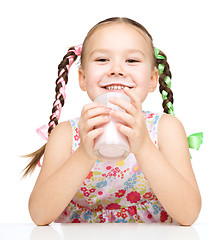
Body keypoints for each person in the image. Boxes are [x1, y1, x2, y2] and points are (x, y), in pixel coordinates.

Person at [23, 17, 202, 226]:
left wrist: (144, 147)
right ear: (82, 78)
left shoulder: (165, 129)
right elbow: (39, 215)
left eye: (132, 60)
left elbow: (189, 214)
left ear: (153, 79)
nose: (116, 69)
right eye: (102, 60)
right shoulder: (66, 134)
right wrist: (83, 153)